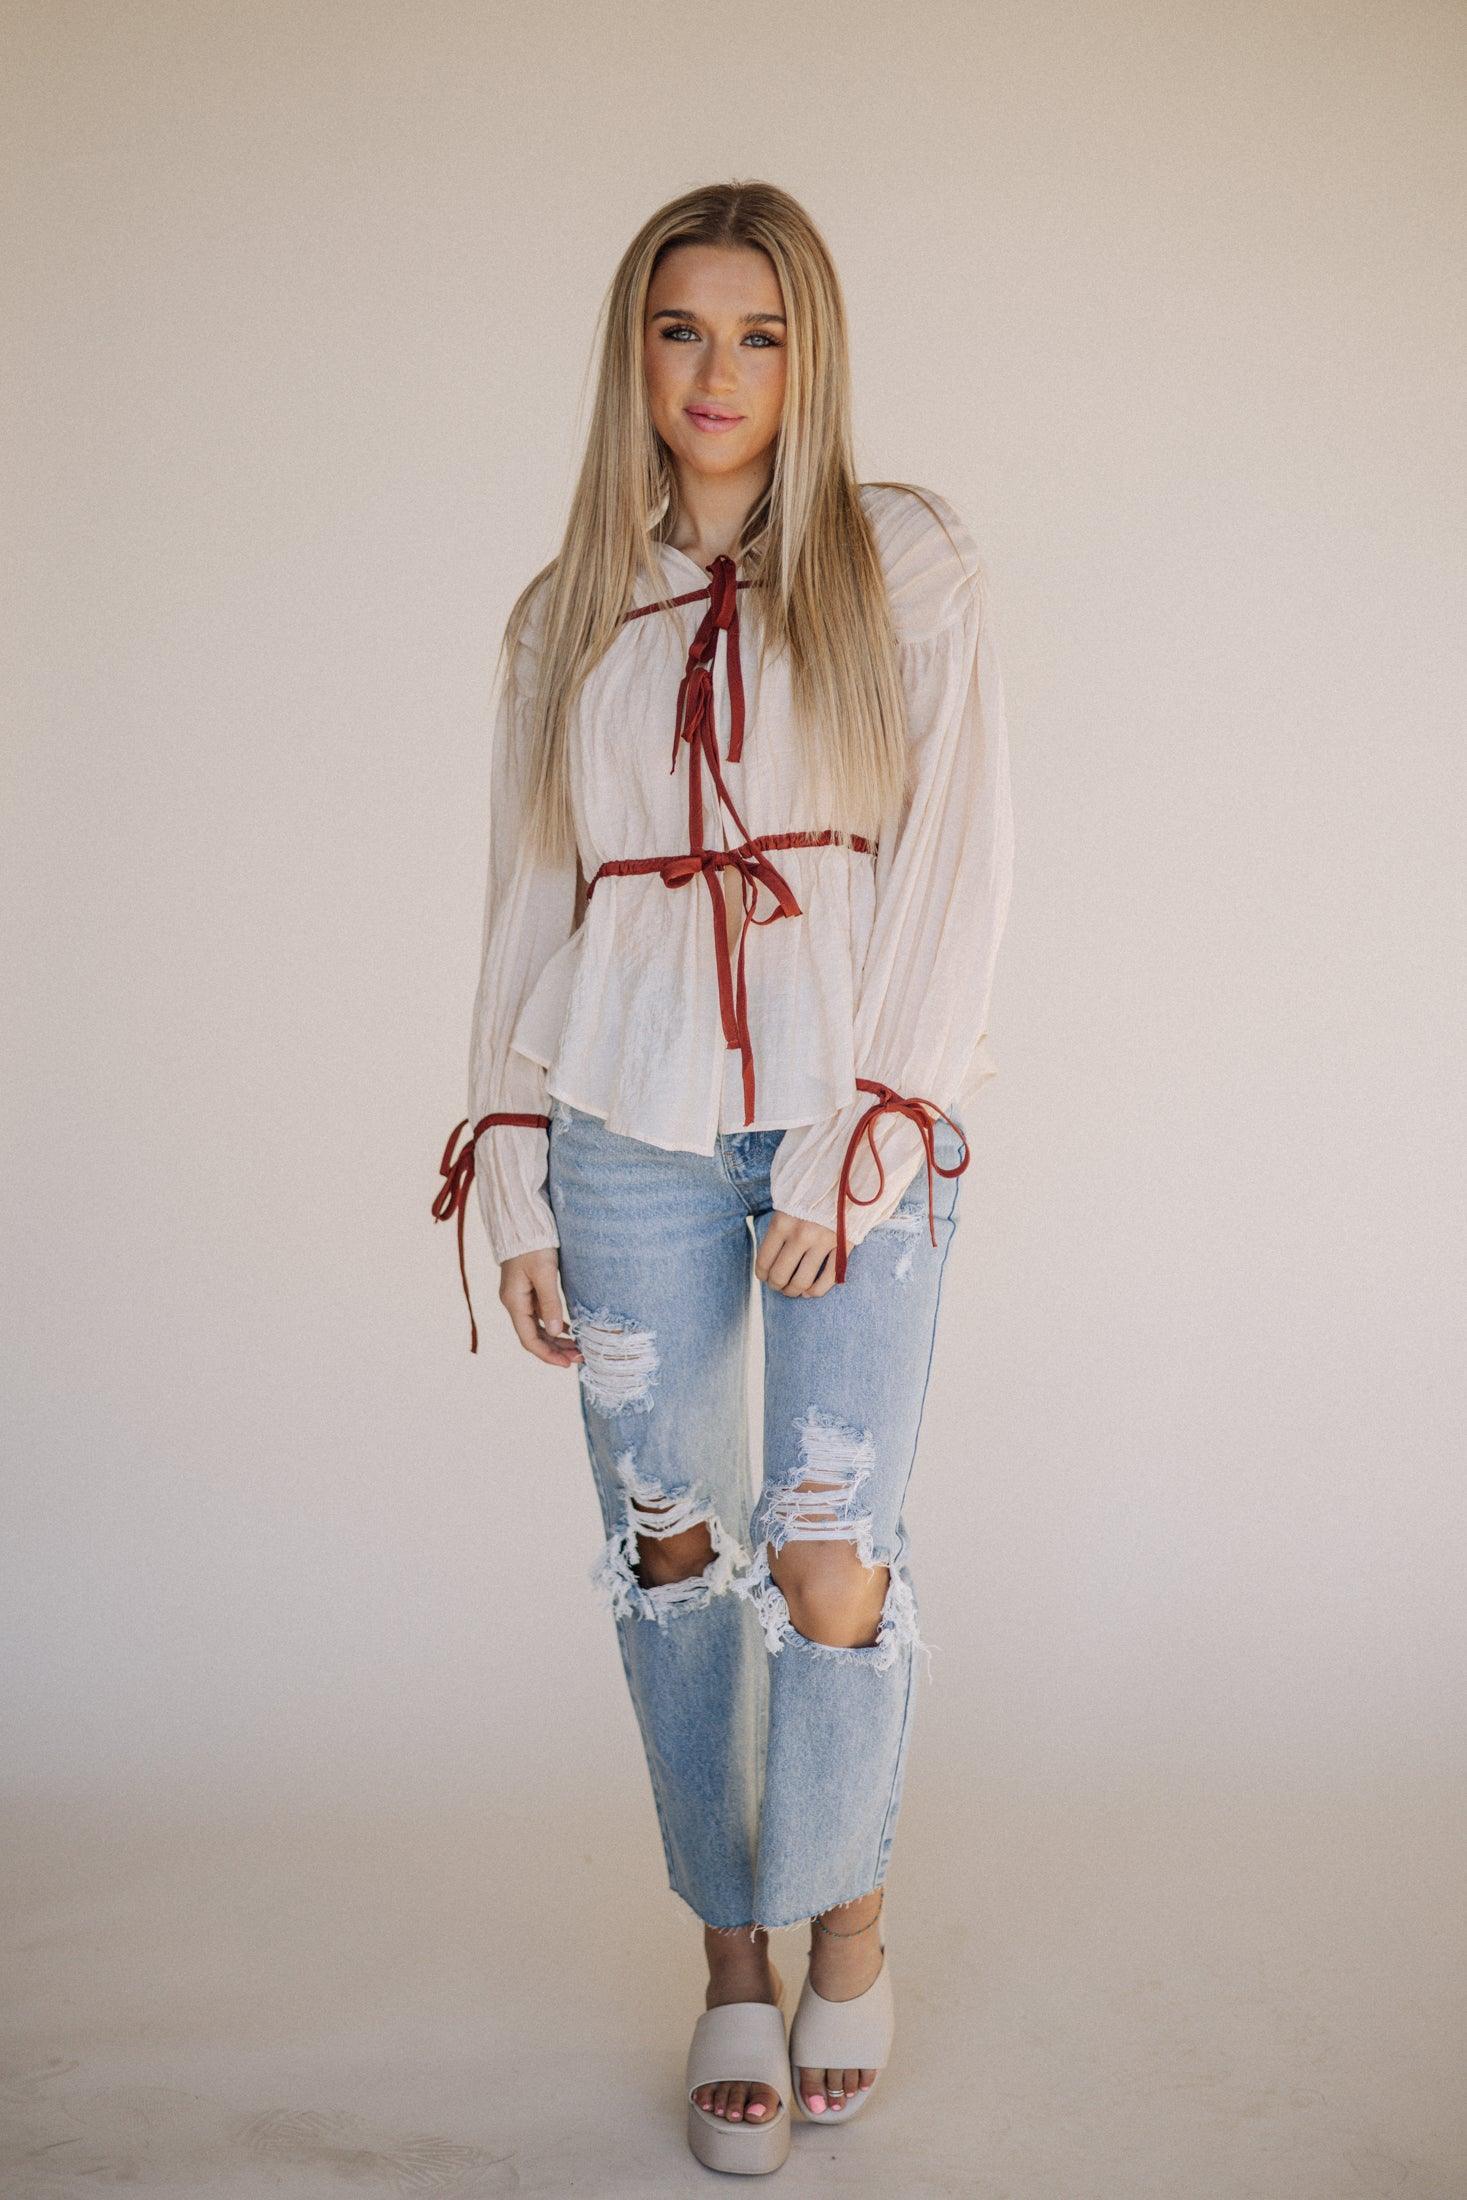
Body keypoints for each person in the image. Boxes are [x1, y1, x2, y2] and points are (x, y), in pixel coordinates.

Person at [432, 178, 1014, 2175]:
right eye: (681, 328)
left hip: (854, 1118)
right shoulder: (563, 613)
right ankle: (733, 1965)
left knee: (831, 1545)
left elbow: (957, 867)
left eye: (759, 334)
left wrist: (865, 1138)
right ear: (635, 352)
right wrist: (512, 1175)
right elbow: (529, 899)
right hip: (624, 1122)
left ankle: (849, 1923)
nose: (717, 371)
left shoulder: (901, 560)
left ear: (808, 358)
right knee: (671, 1550)